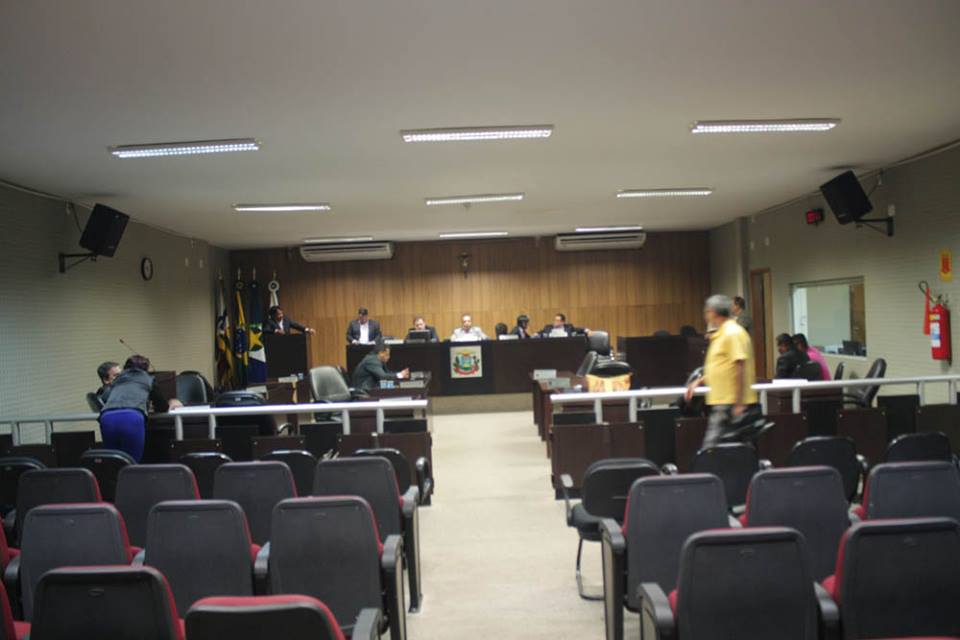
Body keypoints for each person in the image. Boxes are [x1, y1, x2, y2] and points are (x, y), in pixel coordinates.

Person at [685, 295, 759, 448]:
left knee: (712, 449)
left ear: (713, 312)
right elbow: (723, 366)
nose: (706, 315)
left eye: (707, 312)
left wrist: (739, 403)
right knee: (733, 450)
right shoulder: (722, 333)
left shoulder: (732, 333)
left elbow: (739, 366)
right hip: (724, 402)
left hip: (730, 403)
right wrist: (700, 381)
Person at [99, 355, 183, 462]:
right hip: (131, 417)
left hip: (106, 418)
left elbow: (105, 397)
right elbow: (162, 407)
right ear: (146, 369)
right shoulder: (148, 379)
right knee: (132, 461)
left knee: (112, 462)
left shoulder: (117, 379)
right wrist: (170, 401)